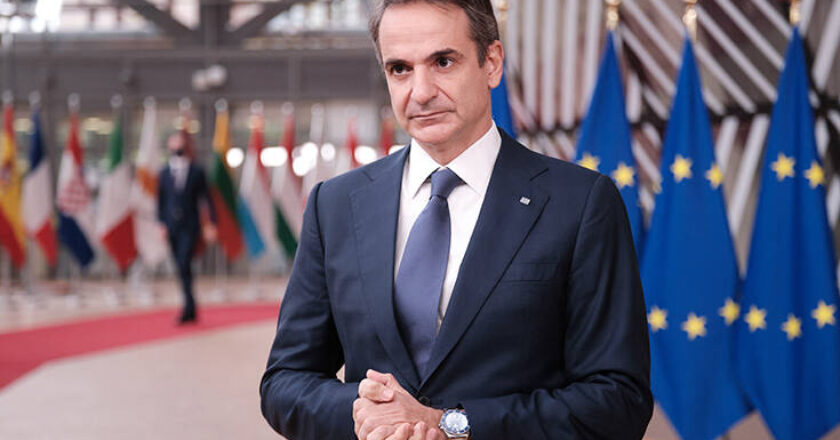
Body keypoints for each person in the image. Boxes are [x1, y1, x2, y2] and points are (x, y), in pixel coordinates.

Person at [260, 0, 652, 438]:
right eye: (400, 69)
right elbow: (284, 382)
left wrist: (451, 424)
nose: (421, 92)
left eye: (443, 62)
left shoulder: (580, 204)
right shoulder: (335, 204)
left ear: (492, 63)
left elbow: (618, 400)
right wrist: (365, 412)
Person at [157, 132, 216, 324]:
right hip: (171, 227)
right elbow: (161, 201)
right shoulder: (164, 172)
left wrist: (211, 223)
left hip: (190, 226)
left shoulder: (196, 171)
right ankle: (190, 305)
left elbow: (207, 199)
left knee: (184, 261)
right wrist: (161, 224)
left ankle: (189, 305)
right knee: (180, 266)